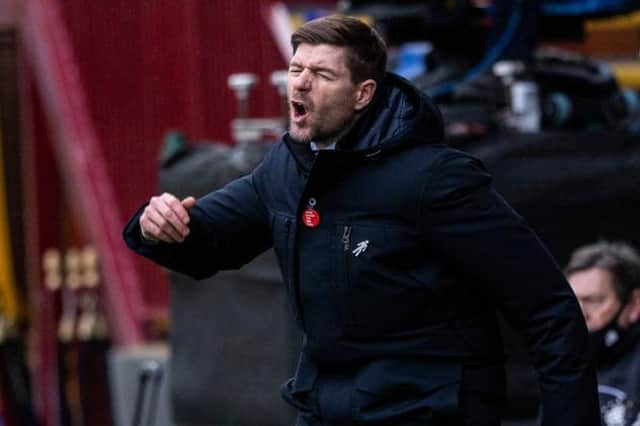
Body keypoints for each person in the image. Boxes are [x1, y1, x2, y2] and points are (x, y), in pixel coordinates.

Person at [123, 14, 600, 426]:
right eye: (295, 69)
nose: (301, 83)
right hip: (326, 408)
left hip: (430, 413)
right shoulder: (286, 168)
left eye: (322, 74)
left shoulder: (434, 180)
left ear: (362, 93)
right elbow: (208, 242)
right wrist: (159, 227)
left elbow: (549, 310)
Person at [565, 241, 640, 426]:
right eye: (572, 301)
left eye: (594, 300)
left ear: (635, 304)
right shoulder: (563, 361)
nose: (580, 313)